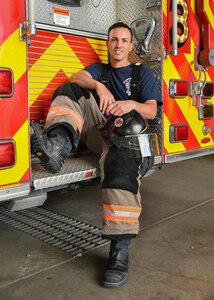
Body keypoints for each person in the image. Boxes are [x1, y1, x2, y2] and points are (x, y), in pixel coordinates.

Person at [31, 22, 162, 288]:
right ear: (108, 43)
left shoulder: (142, 74)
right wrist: (99, 87)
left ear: (130, 46)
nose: (119, 45)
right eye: (114, 40)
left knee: (119, 169)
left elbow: (151, 110)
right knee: (70, 90)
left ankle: (119, 250)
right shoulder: (99, 70)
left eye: (124, 40)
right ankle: (58, 146)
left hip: (129, 139)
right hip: (100, 128)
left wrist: (130, 104)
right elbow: (75, 77)